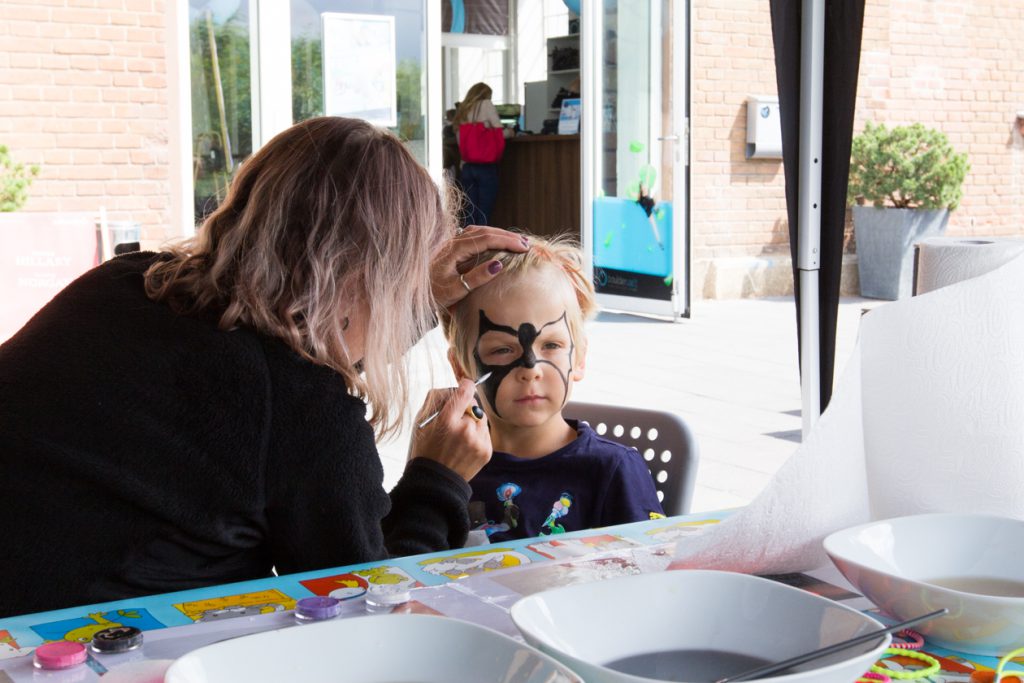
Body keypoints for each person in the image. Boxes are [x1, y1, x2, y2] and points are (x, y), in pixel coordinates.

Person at [0, 116, 530, 618]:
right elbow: (367, 609)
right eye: (403, 282)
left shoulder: (122, 283)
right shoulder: (299, 408)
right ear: (366, 278)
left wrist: (409, 308)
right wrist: (438, 479)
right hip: (80, 654)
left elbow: (279, 358)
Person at [439, 235, 664, 542]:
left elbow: (652, 576)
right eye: (502, 350)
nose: (530, 369)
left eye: (552, 345)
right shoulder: (450, 468)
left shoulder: (613, 471)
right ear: (461, 367)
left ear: (580, 357)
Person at [452, 82, 504, 228]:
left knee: (470, 211)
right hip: (485, 166)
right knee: (484, 212)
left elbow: (460, 139)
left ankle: (469, 246)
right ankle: (482, 249)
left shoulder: (463, 109)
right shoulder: (486, 104)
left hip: (467, 166)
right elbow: (499, 128)